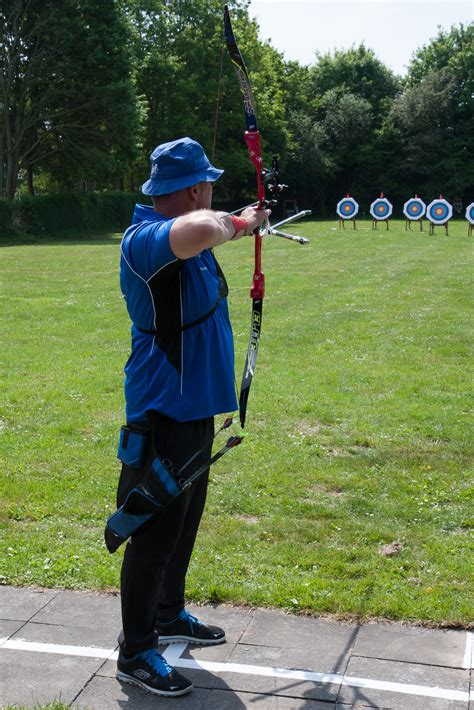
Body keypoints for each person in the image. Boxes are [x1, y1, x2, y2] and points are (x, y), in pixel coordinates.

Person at [114, 136, 270, 698]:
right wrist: (243, 222)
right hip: (163, 412)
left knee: (183, 523)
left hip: (195, 410)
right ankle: (135, 652)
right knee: (153, 533)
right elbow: (202, 230)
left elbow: (204, 234)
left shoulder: (187, 236)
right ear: (193, 189)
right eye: (206, 183)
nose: (212, 189)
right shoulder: (147, 239)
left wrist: (242, 221)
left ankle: (168, 613)